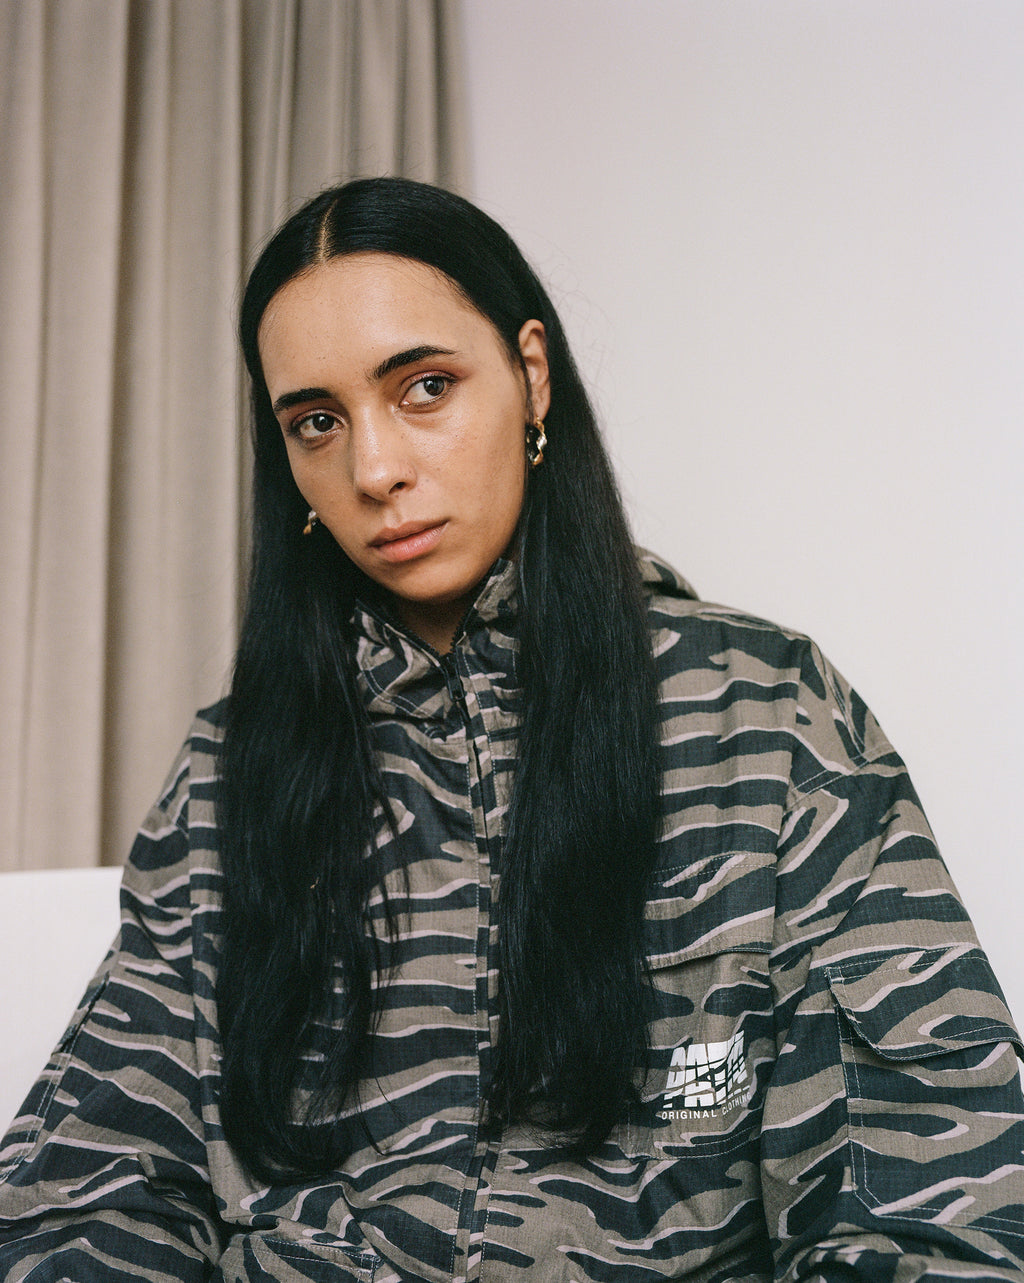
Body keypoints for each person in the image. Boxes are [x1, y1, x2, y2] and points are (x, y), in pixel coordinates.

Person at [1, 176, 1022, 1282]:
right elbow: (82, 1188)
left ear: (531, 376)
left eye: (425, 387)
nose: (374, 469)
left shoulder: (769, 719)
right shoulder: (228, 771)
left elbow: (933, 1203)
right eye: (317, 422)